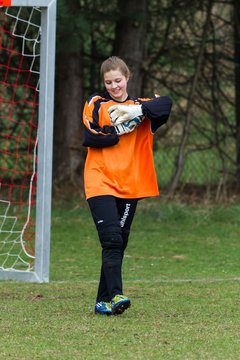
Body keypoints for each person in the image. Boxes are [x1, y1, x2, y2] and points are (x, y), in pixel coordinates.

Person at [82, 56, 172, 316]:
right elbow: (90, 136)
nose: (114, 86)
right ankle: (118, 294)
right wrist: (118, 129)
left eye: (118, 80)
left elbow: (165, 105)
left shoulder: (141, 106)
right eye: (108, 82)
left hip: (130, 185)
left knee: (119, 241)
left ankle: (102, 301)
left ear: (127, 77)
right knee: (111, 239)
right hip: (100, 180)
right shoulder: (96, 103)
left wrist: (138, 112)